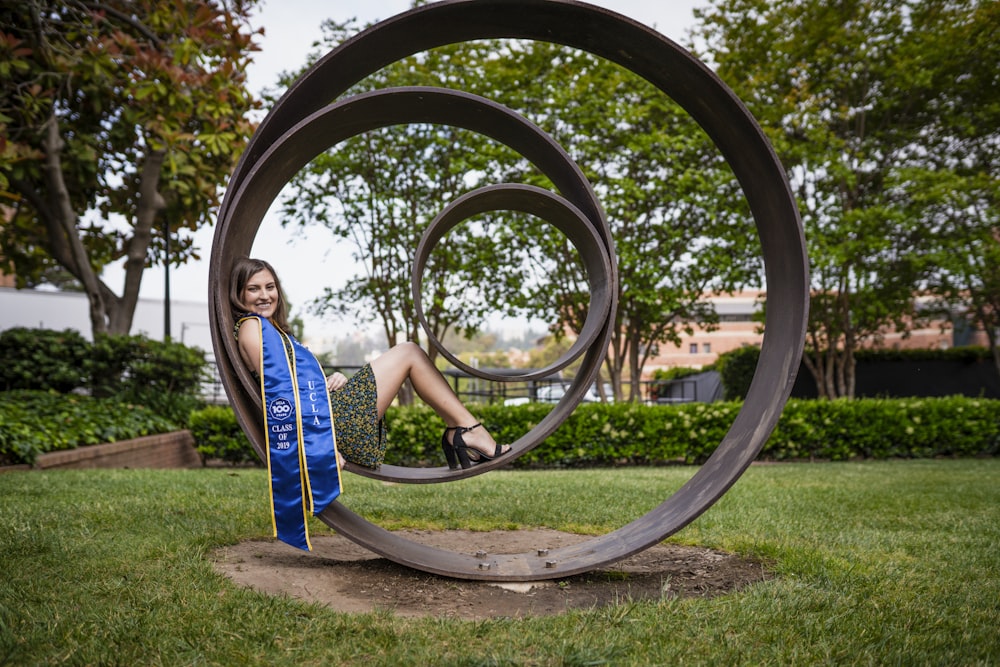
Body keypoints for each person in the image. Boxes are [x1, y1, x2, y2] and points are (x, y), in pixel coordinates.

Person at [229, 257, 510, 471]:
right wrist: (316, 447)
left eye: (270, 286)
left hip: (325, 415)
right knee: (409, 352)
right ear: (239, 295)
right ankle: (467, 431)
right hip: (324, 427)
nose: (264, 295)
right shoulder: (253, 327)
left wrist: (332, 379)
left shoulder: (270, 329)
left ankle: (461, 430)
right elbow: (280, 393)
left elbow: (294, 380)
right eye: (253, 289)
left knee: (410, 352)